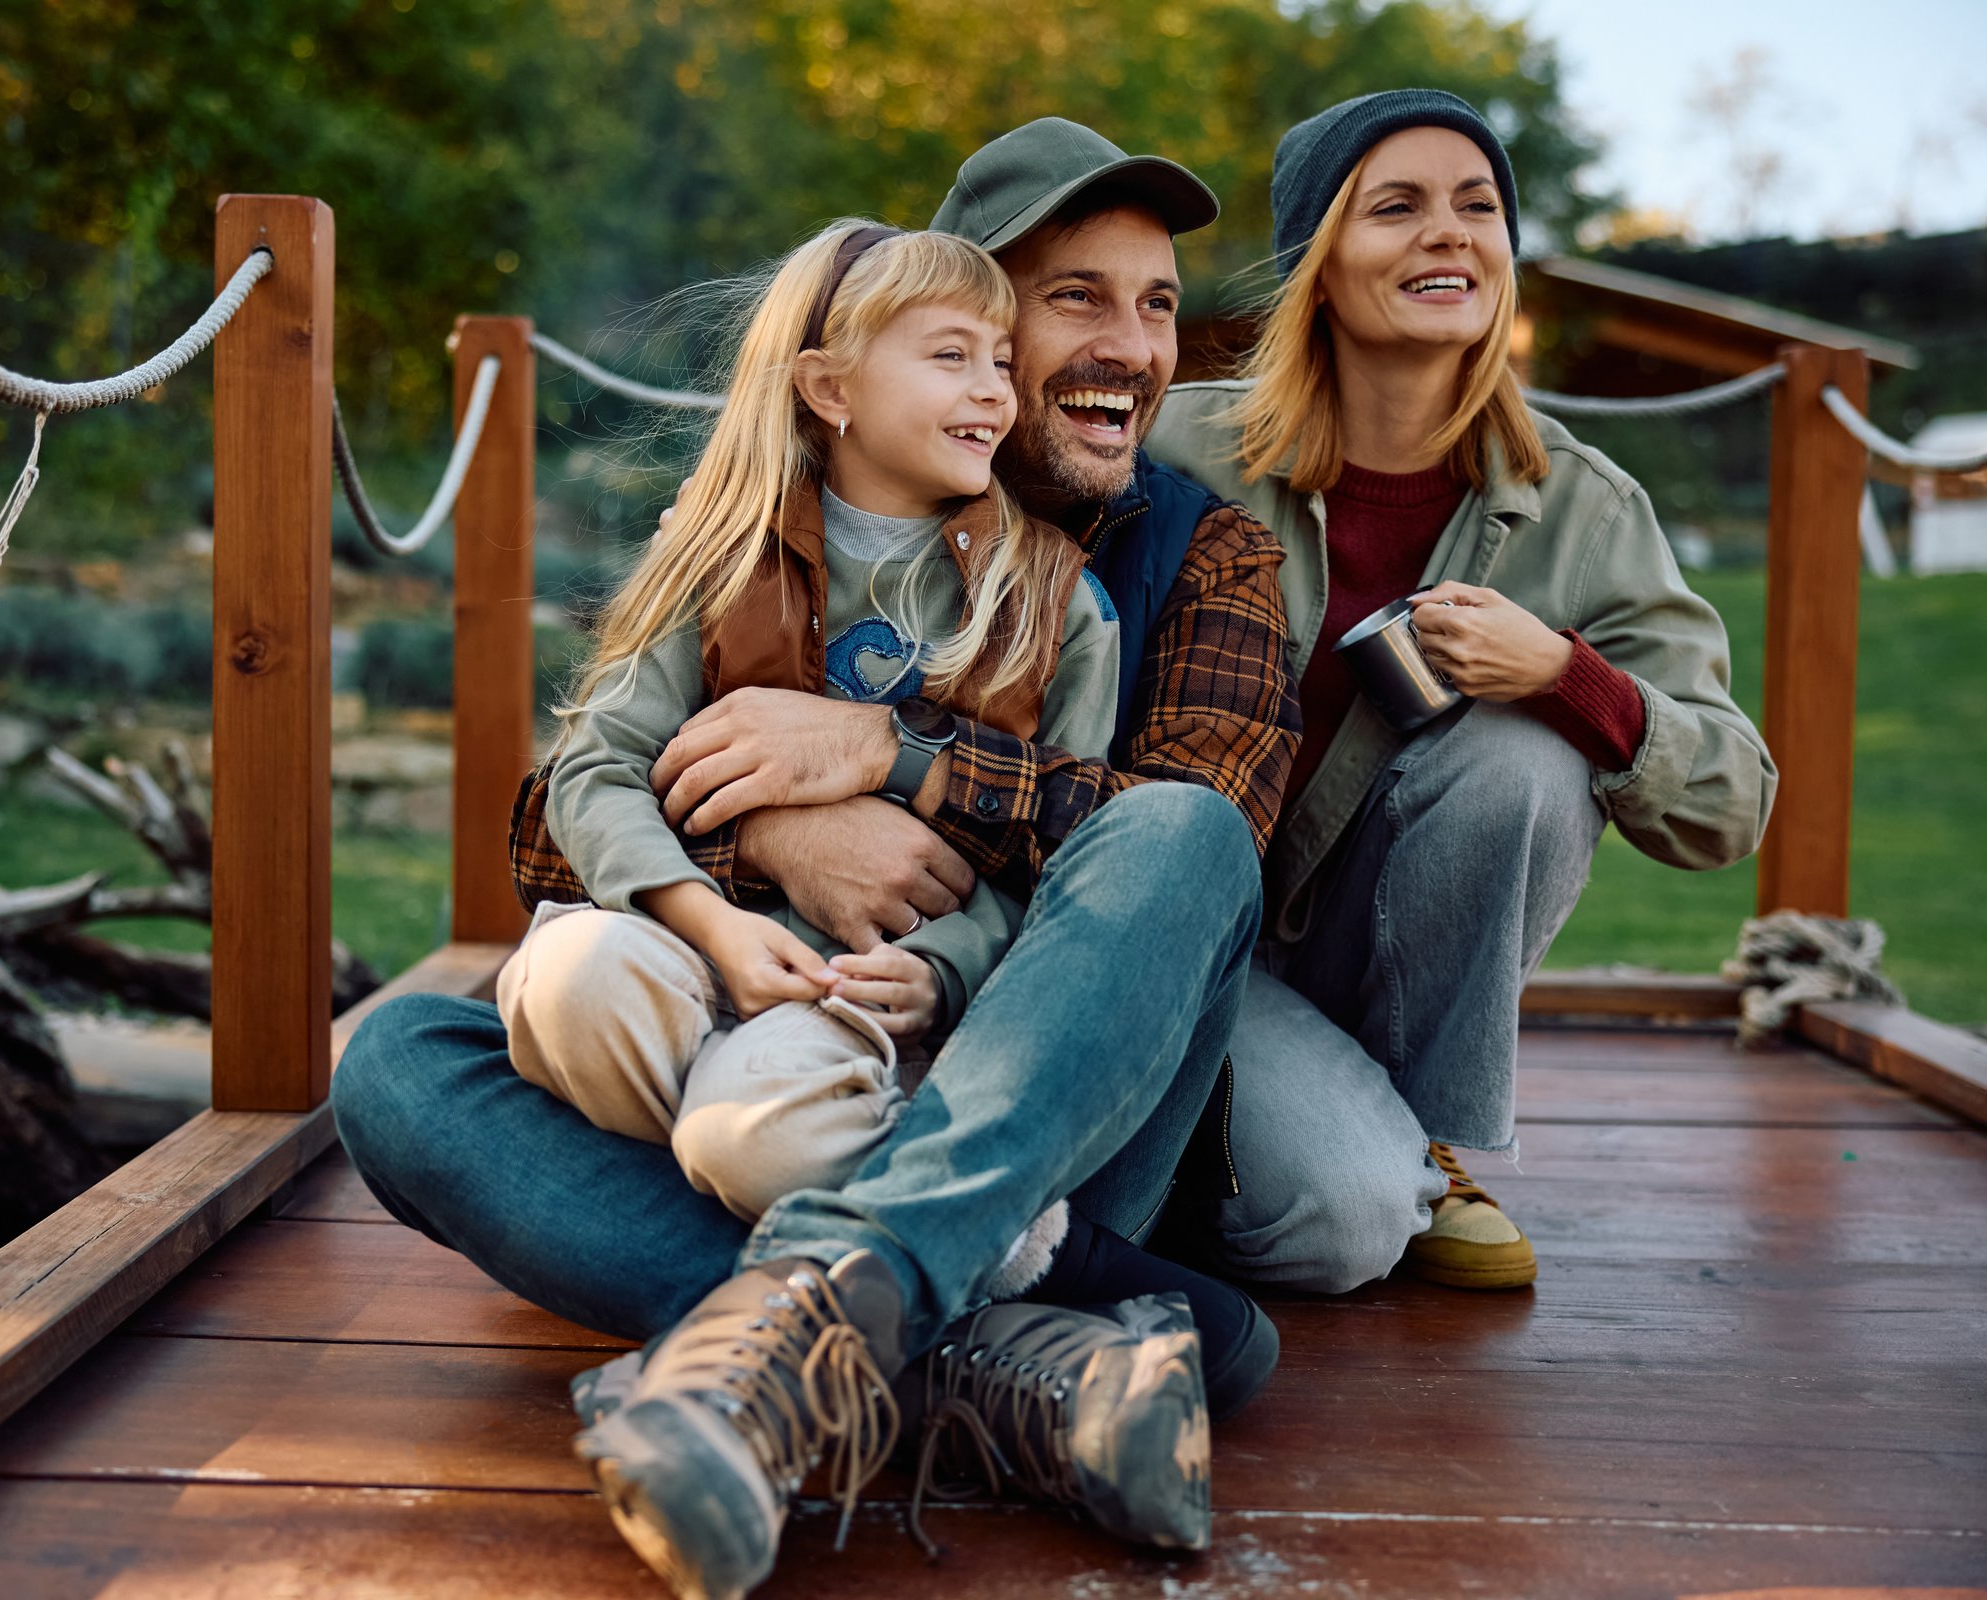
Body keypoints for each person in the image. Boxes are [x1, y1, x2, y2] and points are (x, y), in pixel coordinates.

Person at [335, 119, 1299, 1599]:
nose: (1131, 345)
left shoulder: (1199, 558)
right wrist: (772, 816)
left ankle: (803, 1324)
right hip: (764, 1042)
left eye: (1159, 304)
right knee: (396, 1063)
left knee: (1177, 833)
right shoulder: (753, 536)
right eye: (1073, 300)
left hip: (1017, 1098)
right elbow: (549, 826)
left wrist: (887, 757)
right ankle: (986, 1366)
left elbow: (1168, 853)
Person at [1139, 89, 1776, 1292]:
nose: (1451, 233)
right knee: (1320, 1212)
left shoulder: (1587, 511)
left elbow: (1730, 804)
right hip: (1175, 931)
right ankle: (1217, 1150)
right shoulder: (1179, 450)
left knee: (1527, 761)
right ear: (1318, 267)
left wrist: (1566, 676)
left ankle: (1410, 1147)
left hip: (1355, 960)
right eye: (1399, 208)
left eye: (1478, 207)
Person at [500, 221, 1116, 1268]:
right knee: (566, 974)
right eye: (950, 355)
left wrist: (947, 970)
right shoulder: (717, 555)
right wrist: (715, 928)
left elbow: (1071, 846)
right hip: (701, 951)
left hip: (855, 997)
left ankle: (970, 1228)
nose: (993, 391)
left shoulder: (1054, 598)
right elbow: (597, 768)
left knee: (752, 1132)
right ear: (831, 390)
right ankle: (827, 1230)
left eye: (1002, 361)